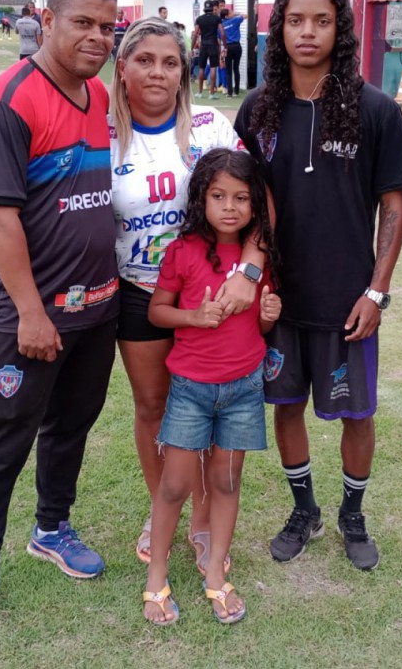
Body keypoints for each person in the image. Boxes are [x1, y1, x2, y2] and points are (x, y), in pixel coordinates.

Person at [0, 0, 120, 643]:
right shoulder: (6, 102)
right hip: (32, 317)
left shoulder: (98, 94)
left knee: (71, 427)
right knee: (3, 441)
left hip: (96, 308)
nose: (97, 37)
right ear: (46, 21)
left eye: (107, 26)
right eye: (83, 23)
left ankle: (51, 528)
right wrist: (29, 311)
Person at [233, 0, 402, 571]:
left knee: (357, 415)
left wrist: (377, 291)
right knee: (286, 406)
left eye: (321, 20)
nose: (307, 32)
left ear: (340, 29)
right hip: (279, 299)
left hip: (348, 301)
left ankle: (353, 515)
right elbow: (239, 200)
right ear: (279, 30)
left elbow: (394, 206)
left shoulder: (375, 109)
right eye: (295, 20)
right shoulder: (257, 110)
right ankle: (304, 509)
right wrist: (250, 277)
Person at [109, 17, 258, 573]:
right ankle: (162, 508)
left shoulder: (210, 126)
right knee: (153, 407)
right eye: (144, 60)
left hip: (217, 297)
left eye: (170, 62)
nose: (158, 72)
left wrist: (249, 272)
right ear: (122, 68)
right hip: (139, 291)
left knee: (211, 406)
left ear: (184, 72)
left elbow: (260, 204)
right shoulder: (100, 133)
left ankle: (202, 516)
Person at [141, 148, 281, 626]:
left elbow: (258, 328)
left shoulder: (259, 260)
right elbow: (157, 311)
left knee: (226, 481)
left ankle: (216, 572)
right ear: (201, 198)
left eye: (241, 198)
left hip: (244, 389)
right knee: (175, 484)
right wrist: (195, 316)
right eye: (218, 196)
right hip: (191, 390)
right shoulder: (182, 251)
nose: (229, 207)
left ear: (255, 205)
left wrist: (268, 315)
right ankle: (156, 575)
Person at [194, 1, 224, 99]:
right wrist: (225, 46)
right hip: (213, 44)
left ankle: (200, 92)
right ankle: (212, 93)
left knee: (201, 68)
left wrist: (192, 47)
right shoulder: (217, 19)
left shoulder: (199, 19)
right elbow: (222, 33)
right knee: (213, 67)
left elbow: (195, 34)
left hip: (203, 45)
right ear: (212, 8)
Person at [221, 5, 244, 96]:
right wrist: (236, 14)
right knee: (236, 68)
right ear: (226, 16)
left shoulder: (221, 25)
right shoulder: (235, 20)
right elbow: (246, 16)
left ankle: (230, 92)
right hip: (237, 46)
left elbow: (220, 38)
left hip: (228, 47)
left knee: (228, 70)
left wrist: (222, 51)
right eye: (231, 12)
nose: (232, 13)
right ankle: (237, 91)